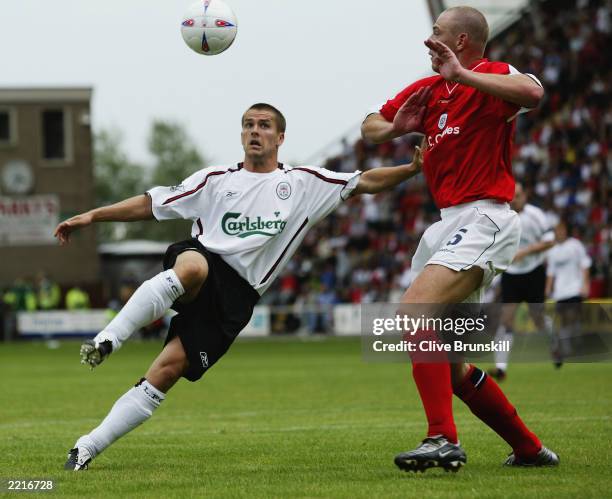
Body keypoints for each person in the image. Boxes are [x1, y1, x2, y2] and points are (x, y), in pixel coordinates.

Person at [55, 102, 424, 471]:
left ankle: (86, 447)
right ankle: (108, 339)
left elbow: (363, 182)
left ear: (280, 137)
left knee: (165, 373)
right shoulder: (215, 179)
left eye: (264, 125)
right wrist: (93, 215)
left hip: (237, 296)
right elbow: (151, 204)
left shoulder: (303, 184)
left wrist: (410, 169)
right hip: (203, 259)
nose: (254, 131)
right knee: (193, 267)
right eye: (248, 124)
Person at [361, 6, 558, 471]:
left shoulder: (489, 74)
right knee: (451, 365)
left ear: (462, 41)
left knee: (414, 311)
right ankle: (529, 450)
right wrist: (394, 127)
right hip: (445, 225)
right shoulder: (427, 90)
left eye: (436, 33)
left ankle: (441, 439)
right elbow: (370, 125)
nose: (429, 41)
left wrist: (464, 75)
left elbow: (534, 91)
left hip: (486, 216)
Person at [489, 182, 556, 380]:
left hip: (534, 271)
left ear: (525, 196)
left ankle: (556, 344)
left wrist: (524, 252)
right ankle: (500, 368)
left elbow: (550, 241)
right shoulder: (502, 217)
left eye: (518, 195)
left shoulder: (536, 215)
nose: (514, 199)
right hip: (511, 273)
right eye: (512, 196)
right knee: (506, 319)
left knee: (538, 319)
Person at [545, 219, 591, 362]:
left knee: (571, 318)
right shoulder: (552, 251)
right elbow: (551, 272)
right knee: (565, 320)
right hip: (560, 292)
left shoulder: (575, 245)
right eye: (557, 230)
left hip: (575, 289)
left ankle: (572, 347)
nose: (559, 233)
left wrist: (585, 284)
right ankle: (569, 349)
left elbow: (584, 264)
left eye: (562, 230)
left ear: (566, 231)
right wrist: (547, 288)